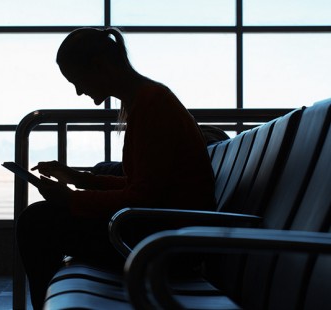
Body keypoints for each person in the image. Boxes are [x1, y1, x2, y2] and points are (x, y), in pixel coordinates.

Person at [16, 27, 216, 309]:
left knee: (36, 222)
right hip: (166, 231)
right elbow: (143, 185)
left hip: (166, 244)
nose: (78, 91)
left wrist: (72, 198)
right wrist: (80, 179)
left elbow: (144, 198)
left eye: (77, 80)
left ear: (99, 66)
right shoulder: (146, 100)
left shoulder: (152, 105)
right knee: (42, 219)